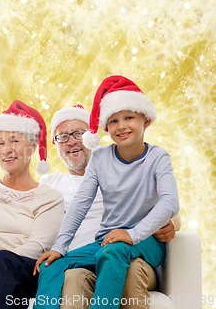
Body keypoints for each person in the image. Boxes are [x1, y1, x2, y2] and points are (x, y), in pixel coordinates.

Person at [33, 75, 180, 309]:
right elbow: (81, 204)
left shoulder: (158, 157)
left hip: (146, 241)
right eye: (113, 121)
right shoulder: (100, 159)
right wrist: (59, 247)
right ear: (105, 128)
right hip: (107, 241)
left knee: (111, 253)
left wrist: (132, 234)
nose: (121, 126)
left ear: (146, 121)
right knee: (53, 265)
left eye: (129, 117)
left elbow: (170, 202)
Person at [0, 100, 65, 309]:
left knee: (3, 260)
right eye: (0, 143)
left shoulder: (50, 198)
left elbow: (38, 246)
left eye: (14, 141)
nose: (7, 150)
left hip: (25, 271)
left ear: (33, 147)